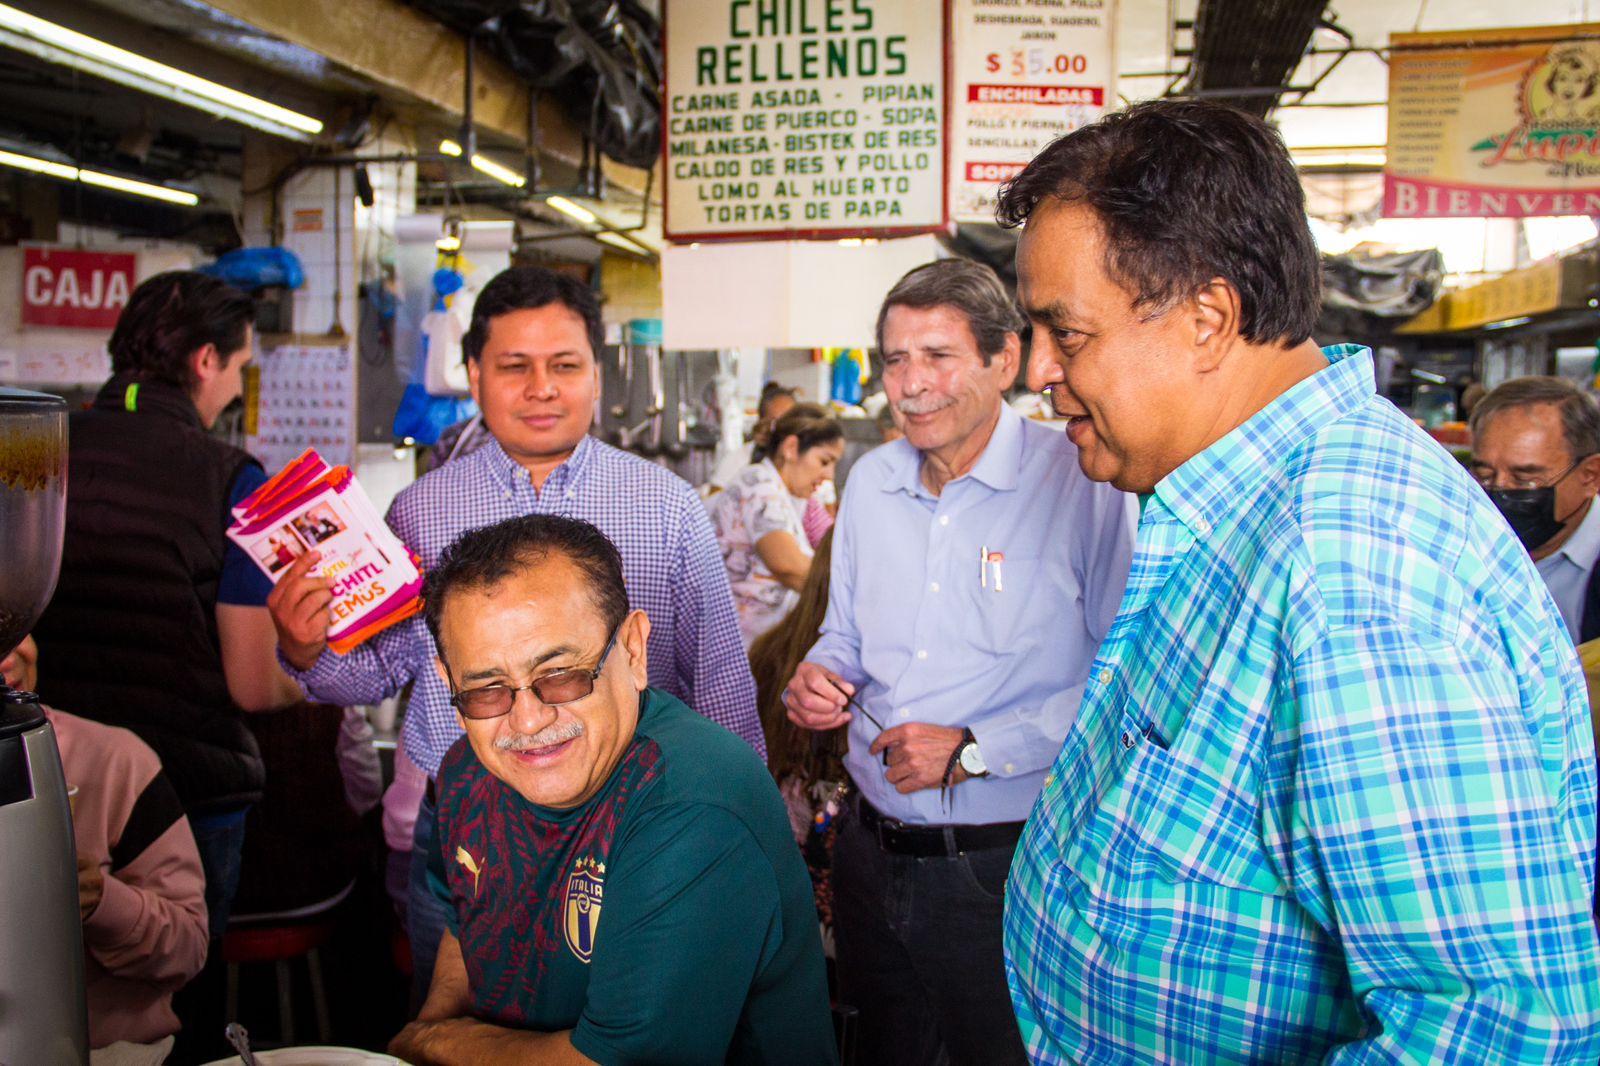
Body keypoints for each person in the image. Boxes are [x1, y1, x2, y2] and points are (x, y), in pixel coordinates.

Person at [999, 99, 1600, 1062]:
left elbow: (1498, 1032)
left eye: (1065, 333)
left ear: (1208, 319)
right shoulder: (1246, 504)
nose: (1037, 370)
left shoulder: (1352, 573)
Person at [268, 265, 763, 1001]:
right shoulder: (422, 510)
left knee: (621, 1026)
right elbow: (380, 672)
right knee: (454, 1024)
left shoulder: (667, 506)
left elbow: (719, 683)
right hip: (462, 828)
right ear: (475, 375)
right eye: (514, 367)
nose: (541, 388)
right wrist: (305, 647)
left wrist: (749, 828)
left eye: (564, 365)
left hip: (631, 825)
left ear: (596, 373)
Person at [782, 257, 1134, 1066]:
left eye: (938, 356)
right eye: (895, 360)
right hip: (869, 854)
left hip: (1006, 865)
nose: (910, 385)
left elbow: (1125, 681)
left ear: (1005, 360)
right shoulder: (872, 481)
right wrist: (820, 677)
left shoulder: (1082, 480)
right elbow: (844, 635)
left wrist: (976, 749)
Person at [388, 515, 837, 1066]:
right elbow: (465, 923)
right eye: (486, 690)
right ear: (448, 682)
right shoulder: (466, 771)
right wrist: (432, 1029)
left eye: (560, 675)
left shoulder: (695, 805)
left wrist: (432, 1042)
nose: (527, 721)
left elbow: (618, 1061)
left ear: (633, 650)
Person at [31, 270, 303, 942]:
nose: (238, 386)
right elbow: (254, 684)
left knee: (48, 981)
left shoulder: (37, 449)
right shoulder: (230, 478)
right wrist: (309, 667)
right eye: (239, 366)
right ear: (206, 360)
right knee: (172, 982)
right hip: (182, 799)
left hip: (49, 783)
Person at [3, 637, 207, 1065]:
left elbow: (188, 948)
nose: (6, 658)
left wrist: (103, 903)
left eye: (13, 628)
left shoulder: (117, 761)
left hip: (111, 1051)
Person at [1468, 376, 1600, 642]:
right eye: (1484, 475)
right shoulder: (1461, 544)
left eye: (1524, 479)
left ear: (1590, 476)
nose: (1500, 490)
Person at [711, 403, 845, 647]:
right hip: (740, 646)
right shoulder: (758, 484)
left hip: (760, 642)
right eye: (824, 461)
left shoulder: (785, 494)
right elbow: (789, 566)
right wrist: (851, 594)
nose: (829, 475)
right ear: (791, 448)